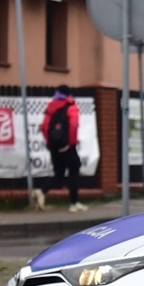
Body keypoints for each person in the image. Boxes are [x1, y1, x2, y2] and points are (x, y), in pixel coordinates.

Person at [34, 84, 86, 212]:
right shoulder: (71, 107)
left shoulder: (51, 107)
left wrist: (51, 144)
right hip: (68, 146)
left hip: (54, 147)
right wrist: (70, 143)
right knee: (74, 170)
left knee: (59, 174)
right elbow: (74, 126)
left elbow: (45, 127)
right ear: (68, 94)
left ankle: (42, 191)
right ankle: (74, 203)